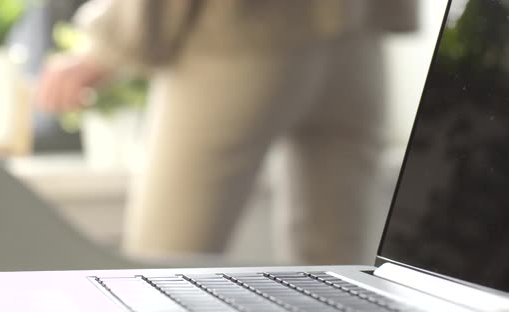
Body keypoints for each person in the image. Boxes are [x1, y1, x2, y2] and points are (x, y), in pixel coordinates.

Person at [37, 0, 417, 265]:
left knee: (164, 270)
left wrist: (111, 41)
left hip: (239, 33)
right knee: (336, 269)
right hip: (359, 31)